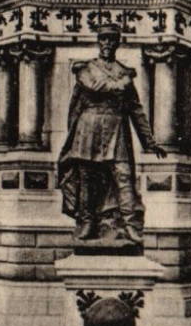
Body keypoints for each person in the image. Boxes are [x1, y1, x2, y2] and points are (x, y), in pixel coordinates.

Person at [58, 25, 166, 244]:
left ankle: (130, 225)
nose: (107, 44)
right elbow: (81, 101)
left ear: (117, 43)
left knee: (124, 178)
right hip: (89, 129)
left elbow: (136, 110)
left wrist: (150, 141)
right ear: (99, 42)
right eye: (104, 39)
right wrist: (73, 139)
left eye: (111, 40)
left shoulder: (124, 72)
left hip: (117, 129)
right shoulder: (86, 70)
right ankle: (88, 223)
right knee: (87, 179)